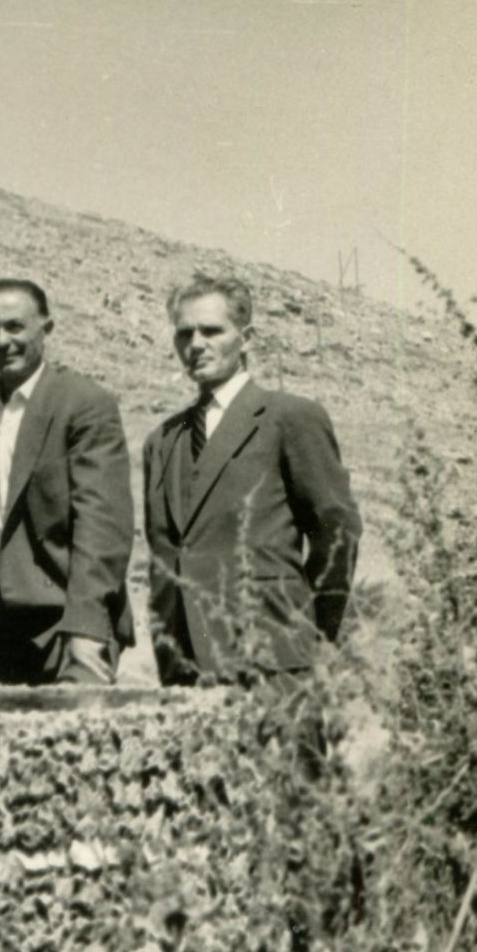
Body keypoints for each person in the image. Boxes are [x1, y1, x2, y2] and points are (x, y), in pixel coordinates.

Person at [143, 274, 362, 685]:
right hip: (187, 667)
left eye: (211, 331)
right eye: (184, 334)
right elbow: (165, 557)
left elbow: (337, 532)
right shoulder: (163, 441)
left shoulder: (289, 418)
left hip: (274, 664)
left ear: (246, 338)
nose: (196, 344)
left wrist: (313, 637)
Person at [0, 278, 134, 685]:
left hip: (64, 620)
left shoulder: (82, 403)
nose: (2, 340)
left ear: (45, 328)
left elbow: (102, 526)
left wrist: (86, 628)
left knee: (77, 722)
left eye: (15, 326)